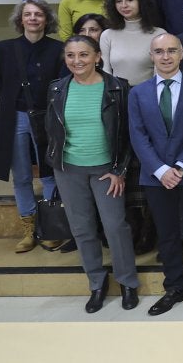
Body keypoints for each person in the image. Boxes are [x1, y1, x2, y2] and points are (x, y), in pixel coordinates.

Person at [45, 35, 140, 314]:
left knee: (115, 227)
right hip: (69, 170)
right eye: (71, 56)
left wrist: (119, 170)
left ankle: (127, 282)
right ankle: (97, 283)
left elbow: (127, 135)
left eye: (84, 55)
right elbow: (50, 130)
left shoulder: (118, 88)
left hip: (106, 171)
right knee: (82, 230)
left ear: (98, 57)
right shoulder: (56, 89)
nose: (77, 61)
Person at [127, 34, 183, 315]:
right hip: (155, 176)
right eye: (160, 51)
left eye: (171, 51)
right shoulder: (137, 93)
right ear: (151, 56)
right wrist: (162, 170)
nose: (166, 56)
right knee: (167, 234)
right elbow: (138, 136)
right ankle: (174, 287)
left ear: (182, 54)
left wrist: (180, 166)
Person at [0, 0, 67, 252]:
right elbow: (1, 84)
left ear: (46, 19)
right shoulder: (3, 49)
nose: (33, 18)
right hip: (15, 117)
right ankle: (28, 229)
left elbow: (62, 85)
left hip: (47, 117)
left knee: (49, 172)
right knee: (21, 175)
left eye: (38, 14)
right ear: (20, 20)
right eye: (28, 15)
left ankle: (51, 228)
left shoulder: (58, 49)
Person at [99, 0, 167, 85]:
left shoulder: (159, 34)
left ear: (141, 2)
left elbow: (161, 72)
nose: (124, 5)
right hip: (118, 95)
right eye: (118, 1)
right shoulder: (107, 35)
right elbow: (106, 71)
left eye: (130, 0)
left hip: (148, 93)